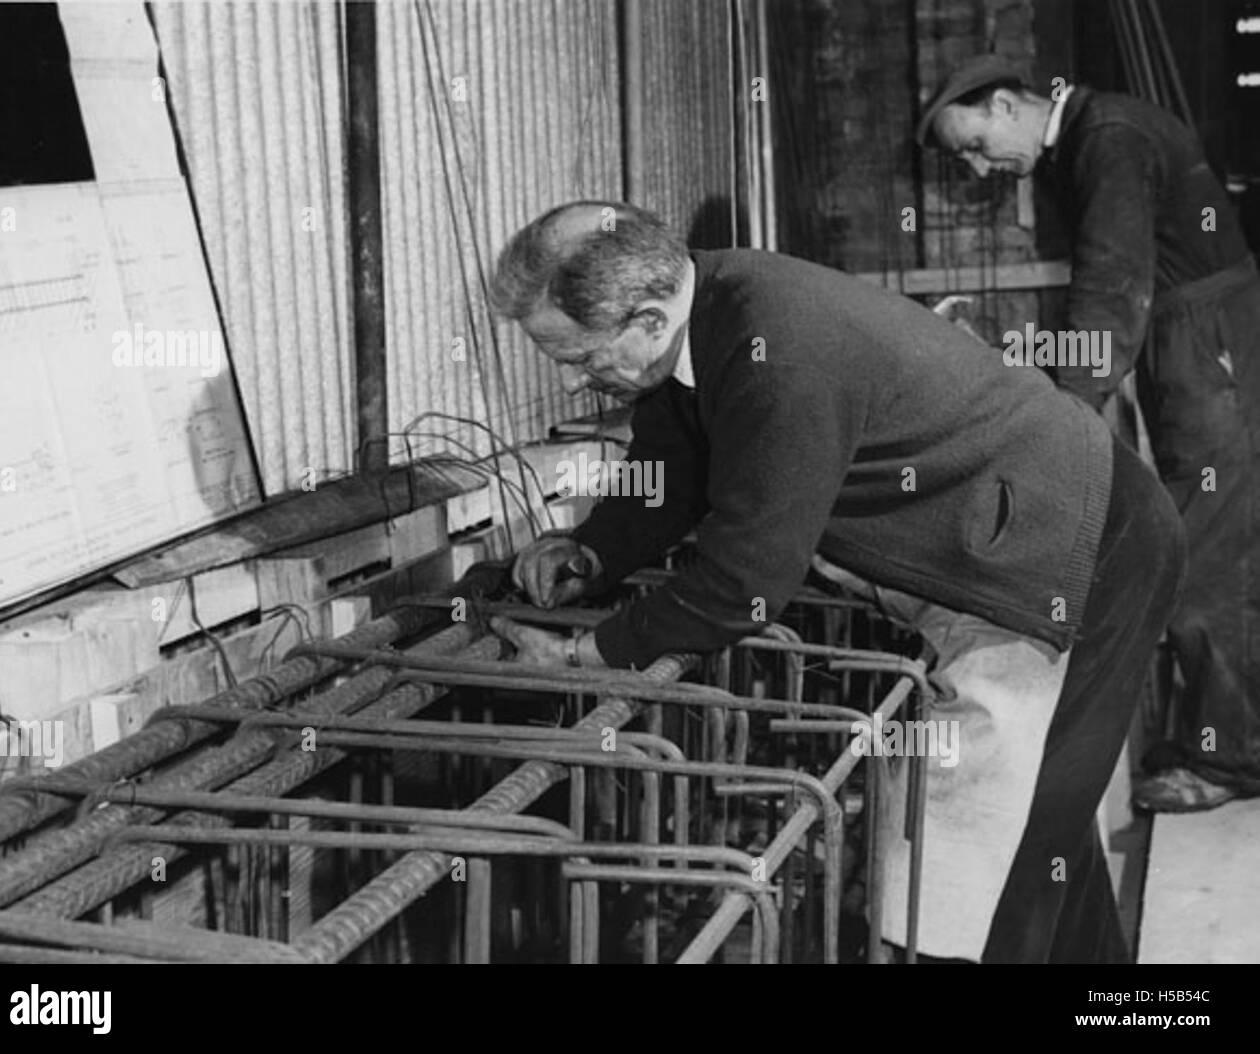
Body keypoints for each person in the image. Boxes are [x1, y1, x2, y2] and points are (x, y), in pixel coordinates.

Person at [485, 200, 1184, 963]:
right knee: (1040, 827)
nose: (586, 382)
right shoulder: (707, 313)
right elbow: (675, 468)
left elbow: (745, 581)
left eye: (583, 359)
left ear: (649, 320)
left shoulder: (777, 349)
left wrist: (587, 657)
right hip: (1003, 554)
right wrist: (591, 552)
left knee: (979, 857)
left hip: (1077, 551)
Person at [917, 54, 1260, 813]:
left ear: (1007, 104)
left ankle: (1232, 758)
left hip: (1208, 348)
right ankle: (1222, 737)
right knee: (1214, 544)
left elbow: (1112, 289)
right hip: (1198, 344)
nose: (976, 169)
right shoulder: (1094, 135)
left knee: (1206, 558)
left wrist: (1063, 417)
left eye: (972, 144)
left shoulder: (1108, 138)